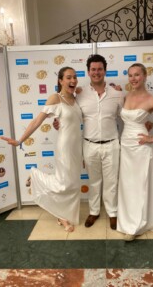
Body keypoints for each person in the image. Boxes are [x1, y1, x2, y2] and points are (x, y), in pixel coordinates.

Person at [1, 67, 83, 232]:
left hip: (77, 147)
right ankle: (36, 176)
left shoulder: (76, 98)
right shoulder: (55, 98)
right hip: (64, 146)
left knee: (73, 184)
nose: (73, 80)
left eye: (74, 77)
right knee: (63, 183)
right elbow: (36, 121)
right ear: (60, 80)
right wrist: (20, 140)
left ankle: (62, 215)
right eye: (68, 78)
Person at [53, 54, 124, 230]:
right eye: (93, 69)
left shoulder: (117, 93)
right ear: (88, 71)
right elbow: (70, 113)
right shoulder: (80, 93)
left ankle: (112, 213)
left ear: (105, 71)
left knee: (111, 181)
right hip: (89, 144)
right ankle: (94, 212)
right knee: (94, 181)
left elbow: (126, 115)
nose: (96, 72)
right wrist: (58, 123)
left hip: (112, 143)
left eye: (100, 69)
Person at [117, 63, 153, 241]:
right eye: (130, 75)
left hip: (142, 147)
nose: (133, 78)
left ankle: (137, 226)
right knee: (128, 185)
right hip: (126, 145)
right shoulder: (125, 96)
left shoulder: (151, 99)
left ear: (145, 76)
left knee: (141, 185)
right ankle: (127, 220)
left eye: (137, 75)